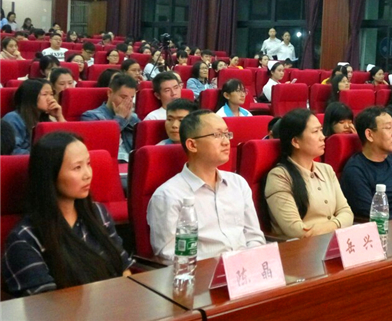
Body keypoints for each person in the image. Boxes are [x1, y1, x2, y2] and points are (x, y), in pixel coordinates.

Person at [1, 132, 133, 297]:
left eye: (88, 164)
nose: (88, 174)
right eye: (77, 167)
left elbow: (123, 268)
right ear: (50, 174)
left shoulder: (98, 213)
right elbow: (45, 304)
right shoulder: (25, 239)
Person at [148, 110, 265, 259]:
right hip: (203, 271)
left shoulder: (238, 183)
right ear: (192, 145)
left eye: (227, 134)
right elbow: (169, 254)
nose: (226, 142)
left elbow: (254, 236)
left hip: (245, 267)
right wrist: (218, 267)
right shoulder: (169, 195)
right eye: (217, 135)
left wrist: (251, 261)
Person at [265, 109, 353, 238]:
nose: (323, 137)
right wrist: (338, 224)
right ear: (295, 141)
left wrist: (330, 226)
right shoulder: (279, 176)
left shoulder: (327, 170)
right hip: (301, 247)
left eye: (321, 130)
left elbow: (347, 212)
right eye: (315, 131)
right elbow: (296, 230)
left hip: (333, 241)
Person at [340, 106, 392, 219]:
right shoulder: (355, 170)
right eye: (388, 128)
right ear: (369, 135)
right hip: (390, 227)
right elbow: (369, 213)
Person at [81, 74, 140, 162]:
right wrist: (120, 118)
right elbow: (102, 141)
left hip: (131, 162)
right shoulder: (91, 116)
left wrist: (129, 118)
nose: (128, 102)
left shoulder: (133, 117)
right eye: (123, 97)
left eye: (131, 98)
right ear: (109, 93)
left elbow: (142, 137)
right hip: (108, 161)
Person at [4, 80, 66, 154]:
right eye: (45, 94)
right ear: (31, 97)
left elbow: (68, 143)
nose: (51, 99)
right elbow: (13, 151)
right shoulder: (13, 118)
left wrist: (59, 117)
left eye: (51, 94)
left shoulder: (45, 118)